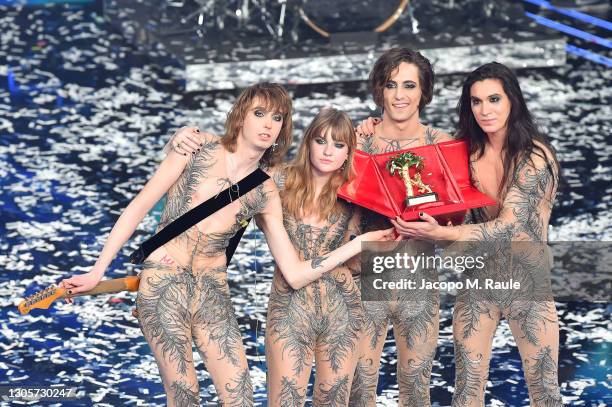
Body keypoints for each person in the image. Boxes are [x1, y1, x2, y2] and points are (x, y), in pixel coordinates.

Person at [59, 83, 394, 406]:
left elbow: (294, 270)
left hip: (213, 293)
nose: (267, 124)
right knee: (185, 396)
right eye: (259, 113)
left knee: (240, 395)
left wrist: (361, 240)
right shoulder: (196, 151)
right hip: (163, 282)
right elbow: (137, 208)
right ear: (240, 116)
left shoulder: (265, 190)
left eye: (277, 118)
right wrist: (97, 270)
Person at [391, 62, 563, 406]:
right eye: (476, 101)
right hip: (478, 283)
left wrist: (444, 232)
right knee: (466, 393)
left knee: (545, 393)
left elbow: (509, 226)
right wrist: (374, 125)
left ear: (512, 100)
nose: (485, 110)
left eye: (494, 99)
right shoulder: (465, 154)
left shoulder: (535, 157)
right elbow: (412, 160)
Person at [349, 47, 453, 406]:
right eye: (391, 85)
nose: (399, 95)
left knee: (417, 393)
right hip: (365, 281)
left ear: (424, 91)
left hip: (419, 283)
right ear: (379, 89)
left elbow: (458, 217)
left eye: (409, 85)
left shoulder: (441, 145)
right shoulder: (357, 141)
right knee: (359, 393)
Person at [265, 107, 371, 405]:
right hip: (288, 307)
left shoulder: (354, 193)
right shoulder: (277, 181)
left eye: (338, 145)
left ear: (348, 152)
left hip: (342, 310)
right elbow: (229, 167)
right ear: (308, 141)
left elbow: (357, 264)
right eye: (320, 141)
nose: (327, 151)